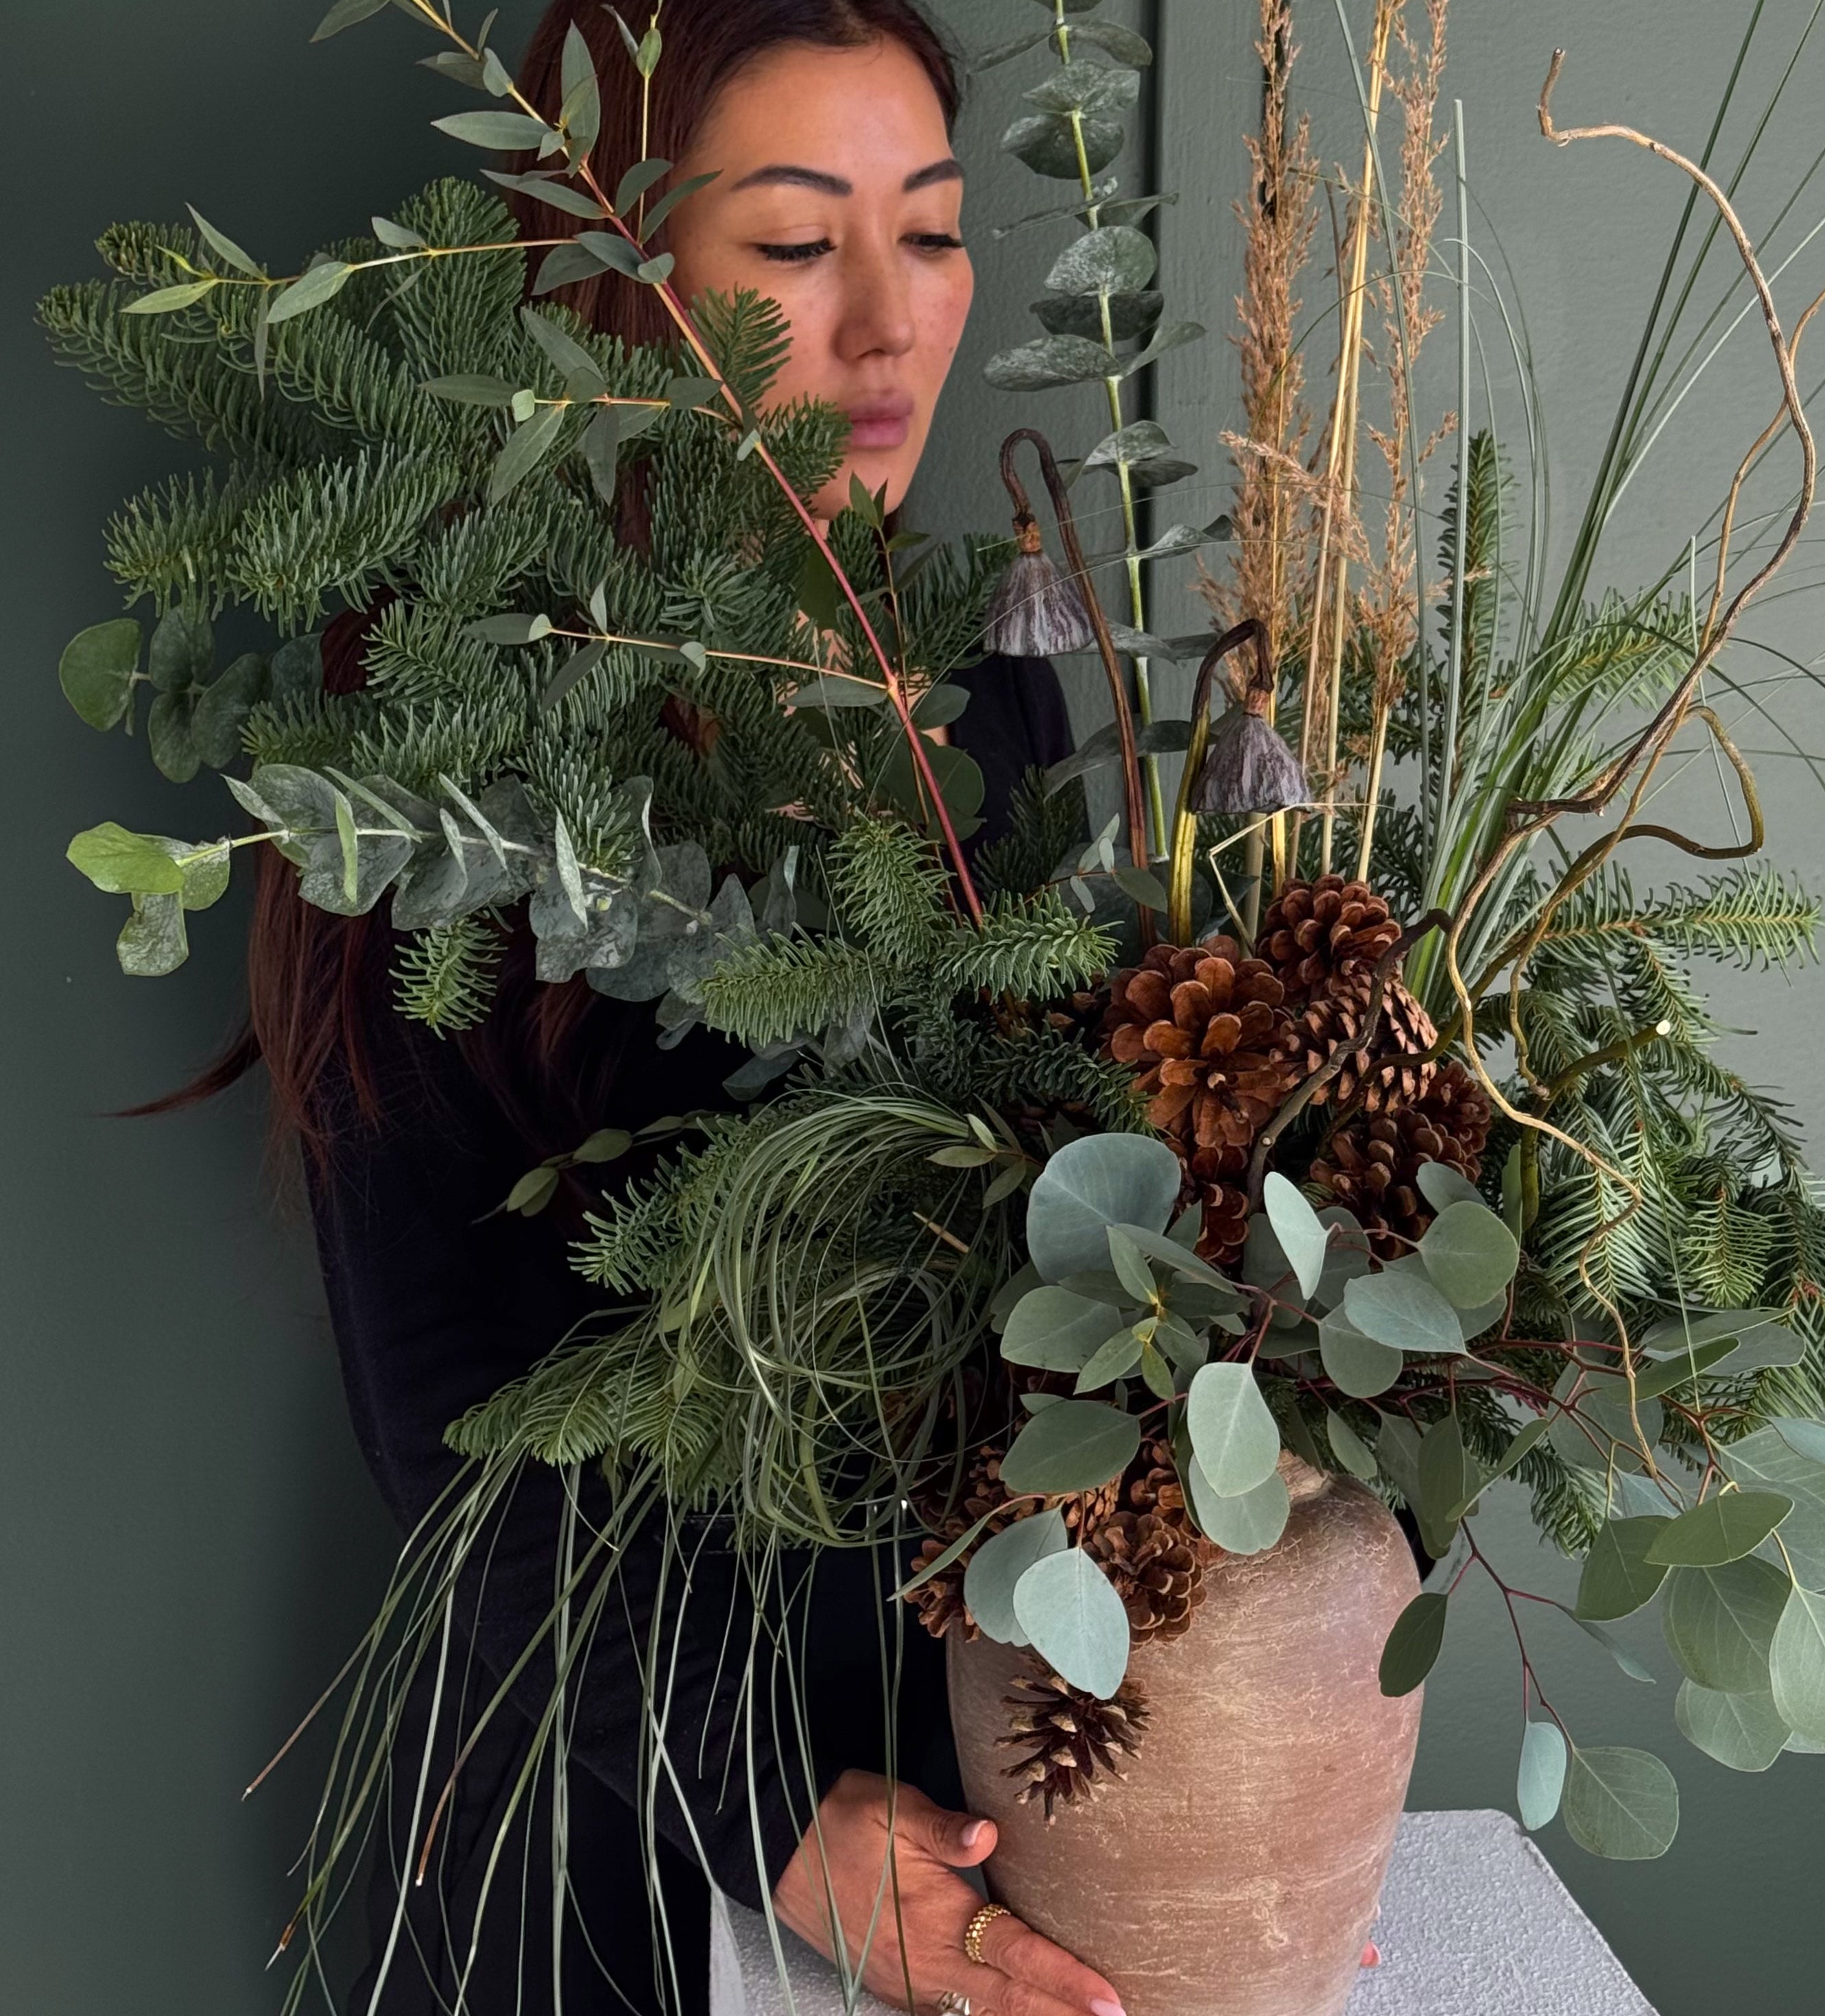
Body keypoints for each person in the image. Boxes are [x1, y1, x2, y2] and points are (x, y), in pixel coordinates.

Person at [149, 5, 1125, 2013]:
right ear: (615, 278)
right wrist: (777, 1817)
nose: (886, 325)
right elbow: (453, 1418)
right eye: (792, 245)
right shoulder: (439, 752)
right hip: (605, 1842)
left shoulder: (987, 690)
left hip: (999, 1808)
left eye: (931, 232)